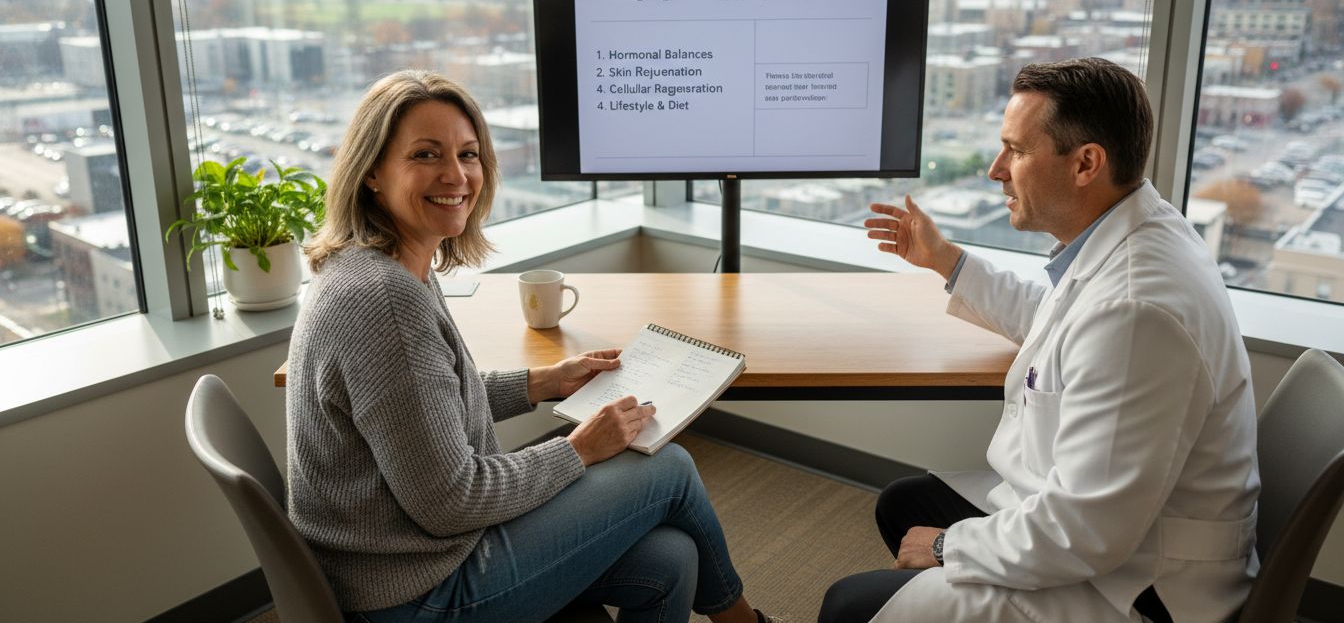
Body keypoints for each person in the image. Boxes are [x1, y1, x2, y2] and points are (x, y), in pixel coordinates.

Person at [287, 70, 779, 623]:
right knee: (669, 469)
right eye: (426, 155)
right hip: (415, 590)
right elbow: (452, 501)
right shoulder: (384, 300)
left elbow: (429, 408)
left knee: (671, 558)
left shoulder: (386, 268)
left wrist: (544, 383)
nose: (456, 174)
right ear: (372, 172)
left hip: (410, 558)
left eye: (468, 155)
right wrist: (579, 449)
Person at [820, 58, 1260, 623]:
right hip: (1115, 523)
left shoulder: (1137, 311)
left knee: (845, 608)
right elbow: (1058, 321)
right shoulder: (1134, 231)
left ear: (1085, 163)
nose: (995, 169)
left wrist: (945, 548)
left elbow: (1085, 531)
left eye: (1017, 151)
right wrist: (946, 261)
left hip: (1139, 585)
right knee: (902, 505)